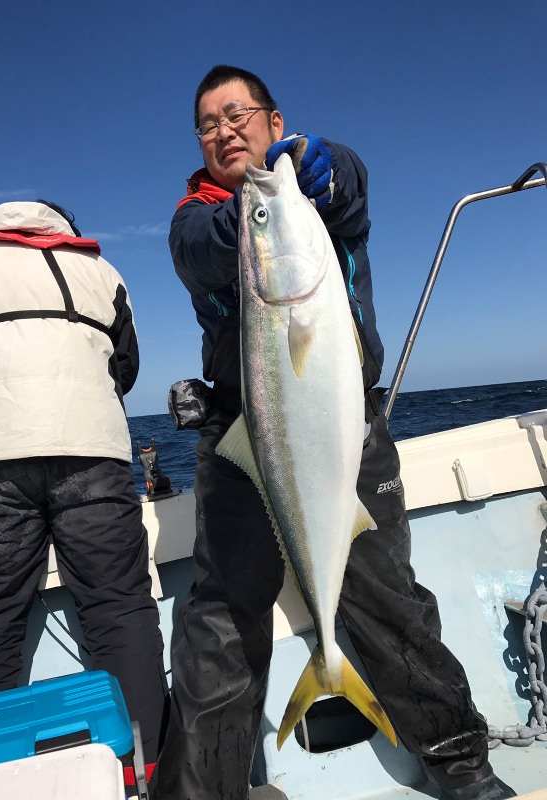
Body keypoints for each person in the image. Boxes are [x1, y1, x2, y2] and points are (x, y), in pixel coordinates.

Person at [150, 65, 517, 800]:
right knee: (220, 621)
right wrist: (257, 204)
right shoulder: (197, 221)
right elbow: (205, 249)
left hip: (348, 427)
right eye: (207, 124)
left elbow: (349, 188)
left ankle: (459, 761)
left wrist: (325, 173)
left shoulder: (314, 192)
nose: (223, 130)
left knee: (388, 597)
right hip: (240, 438)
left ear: (274, 122)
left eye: (237, 114)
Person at [0, 200, 169, 773]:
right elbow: (127, 367)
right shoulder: (104, 272)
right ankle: (143, 767)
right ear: (63, 228)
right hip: (94, 449)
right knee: (120, 607)